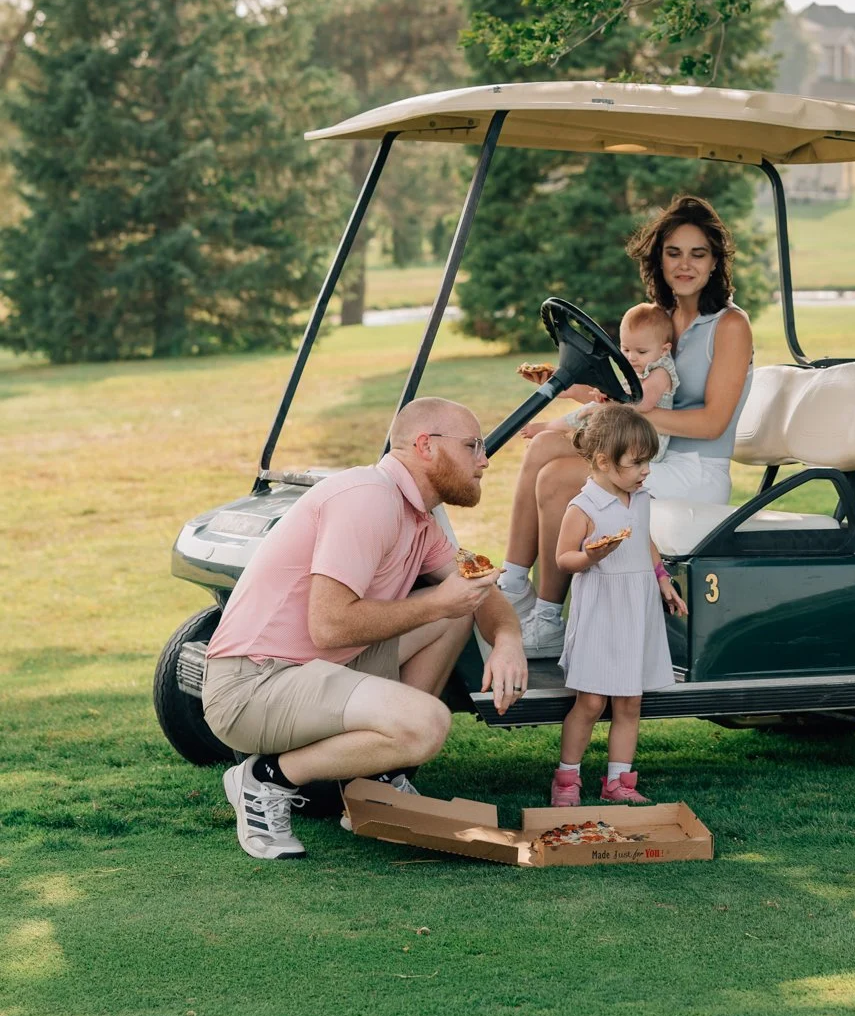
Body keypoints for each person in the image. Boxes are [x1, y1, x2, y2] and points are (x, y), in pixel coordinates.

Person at [201, 396, 528, 862]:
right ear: (425, 446)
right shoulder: (368, 500)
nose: (485, 459)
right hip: (253, 685)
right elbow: (330, 623)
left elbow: (480, 592)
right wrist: (437, 601)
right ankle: (264, 780)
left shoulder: (417, 515)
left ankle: (374, 779)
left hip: (313, 668)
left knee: (456, 612)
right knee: (426, 723)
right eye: (473, 445)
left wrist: (509, 639)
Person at [500, 194, 753, 660]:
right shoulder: (660, 318)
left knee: (559, 479)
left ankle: (549, 620)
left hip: (694, 469)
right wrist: (578, 389)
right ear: (659, 258)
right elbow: (629, 385)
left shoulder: (730, 325)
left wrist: (630, 411)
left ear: (716, 261)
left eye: (698, 254)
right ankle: (513, 586)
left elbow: (713, 420)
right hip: (649, 454)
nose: (685, 265)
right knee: (543, 450)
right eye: (674, 252)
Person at [550, 405, 687, 805]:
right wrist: (592, 556)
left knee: (630, 701)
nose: (646, 470)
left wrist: (663, 581)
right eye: (637, 462)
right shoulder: (584, 508)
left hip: (636, 609)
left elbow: (644, 541)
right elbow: (563, 559)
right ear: (603, 461)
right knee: (591, 702)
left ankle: (618, 783)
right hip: (602, 611)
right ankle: (567, 779)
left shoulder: (639, 499)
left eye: (648, 461)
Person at [505, 299, 679, 577]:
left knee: (590, 414)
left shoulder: (660, 371)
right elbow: (618, 398)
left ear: (664, 349)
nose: (631, 357)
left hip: (642, 445)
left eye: (640, 351)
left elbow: (642, 402)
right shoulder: (638, 367)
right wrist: (582, 388)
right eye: (625, 349)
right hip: (620, 433)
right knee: (552, 437)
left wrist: (607, 397)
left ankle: (545, 604)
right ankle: (512, 577)